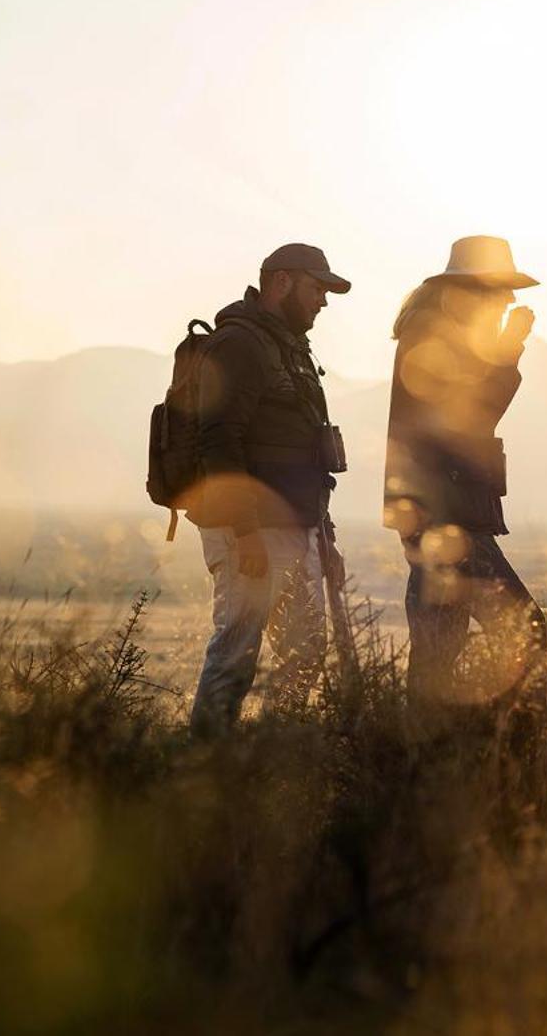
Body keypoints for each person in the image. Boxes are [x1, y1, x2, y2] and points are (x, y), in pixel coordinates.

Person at [185, 242, 352, 737]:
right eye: (317, 288)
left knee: (305, 654)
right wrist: (247, 531)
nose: (323, 301)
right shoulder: (240, 344)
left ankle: (271, 760)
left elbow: (307, 452)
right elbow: (217, 438)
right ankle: (202, 770)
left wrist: (327, 538)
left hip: (296, 530)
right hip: (250, 532)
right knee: (238, 649)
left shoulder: (290, 349)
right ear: (281, 282)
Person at [384, 236, 545, 709]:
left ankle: (424, 756)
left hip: (433, 516)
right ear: (477, 290)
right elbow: (474, 415)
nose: (510, 302)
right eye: (503, 290)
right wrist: (509, 350)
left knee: (436, 657)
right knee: (526, 632)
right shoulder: (439, 340)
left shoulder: (435, 335)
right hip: (446, 519)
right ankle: (506, 743)